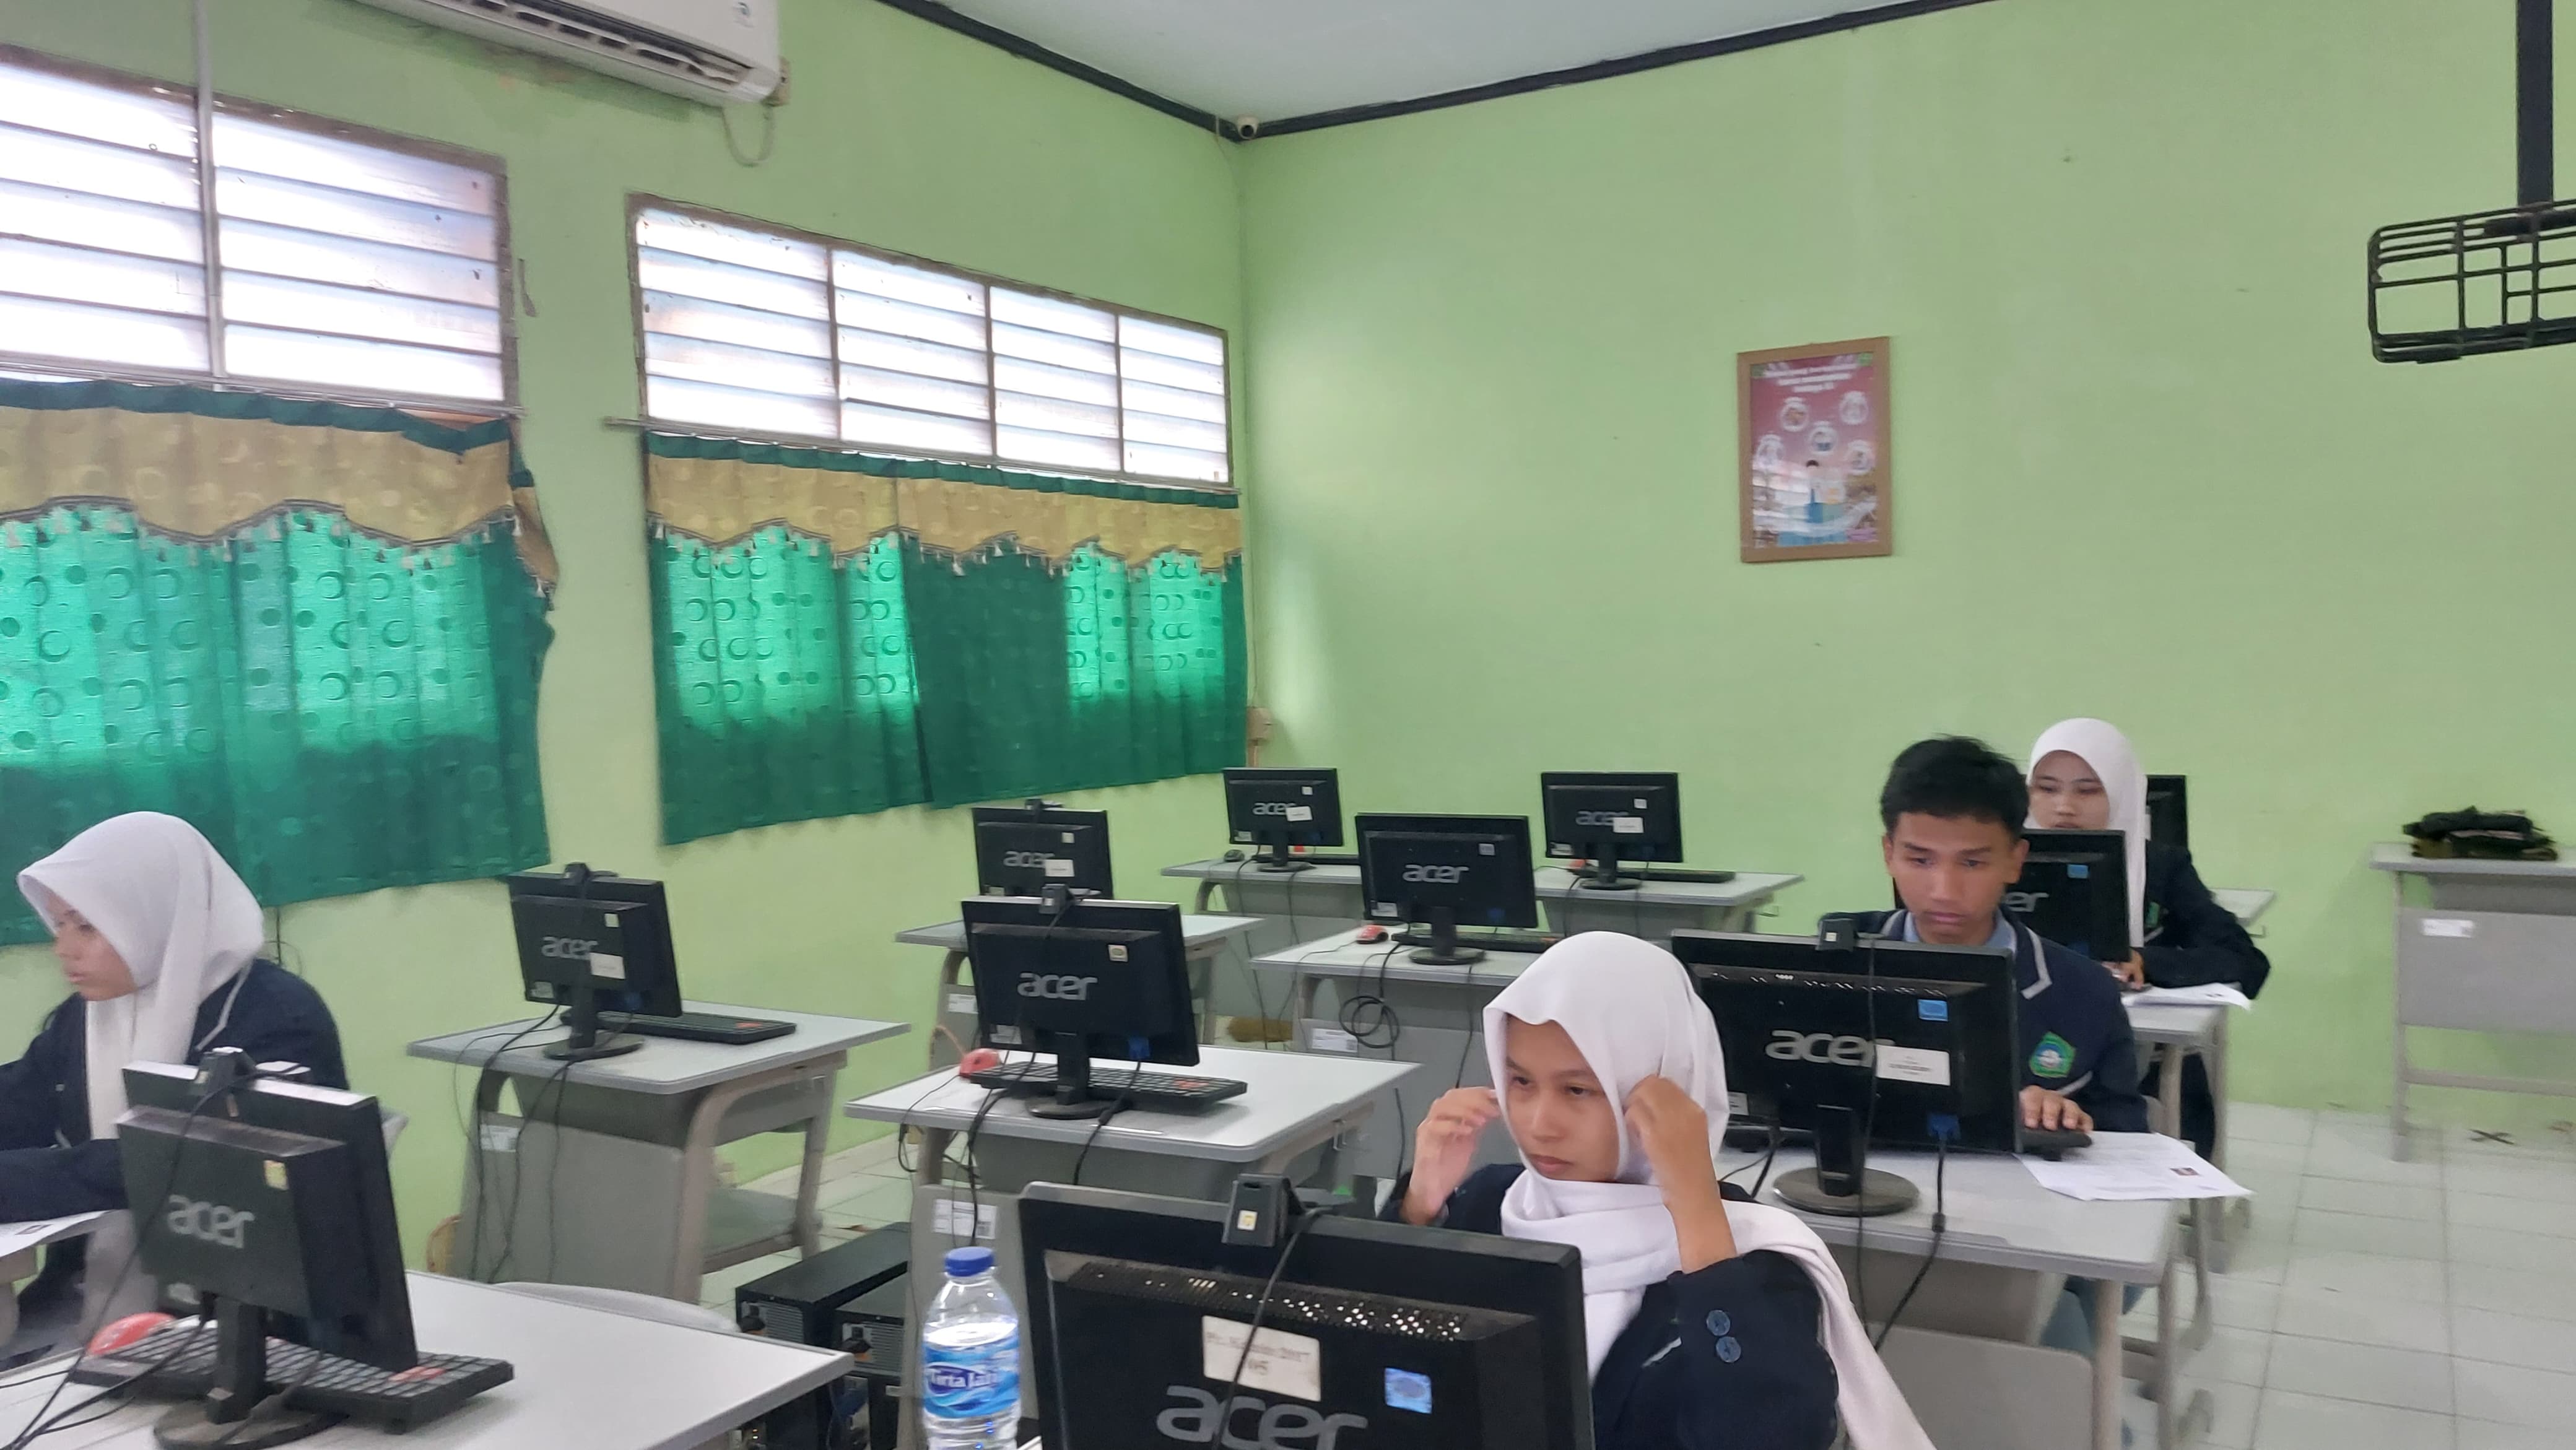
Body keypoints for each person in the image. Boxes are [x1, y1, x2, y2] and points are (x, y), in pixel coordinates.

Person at [1387, 931, 1935, 1450]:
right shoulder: (1490, 1203)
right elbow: (1384, 1377)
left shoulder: (1754, 1263)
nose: (1539, 1123)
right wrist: (1417, 1211)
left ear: (1664, 1090)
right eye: (1521, 1081)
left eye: (1578, 1090)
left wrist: (1695, 1209)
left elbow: (1766, 1436)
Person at [4, 814, 347, 1313]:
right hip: (82, 1290)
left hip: (240, 1309)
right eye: (58, 924)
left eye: (87, 926)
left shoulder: (274, 1018)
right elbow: (20, 1102)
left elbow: (183, 1163)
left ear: (157, 915)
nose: (64, 949)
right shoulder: (88, 1015)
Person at [1845, 736, 2150, 1135]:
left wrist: (2067, 1117)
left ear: (2015, 861)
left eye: (1972, 863)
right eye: (1920, 860)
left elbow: (2128, 1135)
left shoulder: (2086, 992)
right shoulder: (1832, 965)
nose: (1944, 891)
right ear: (1889, 854)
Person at [2028, 717, 2269, 1153]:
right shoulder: (1999, 869)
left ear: (2121, 792)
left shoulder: (2161, 867)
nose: (2064, 807)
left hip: (2145, 1064)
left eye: (2088, 791)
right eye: (2046, 789)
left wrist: (2145, 961)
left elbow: (2245, 960)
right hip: (2028, 1067)